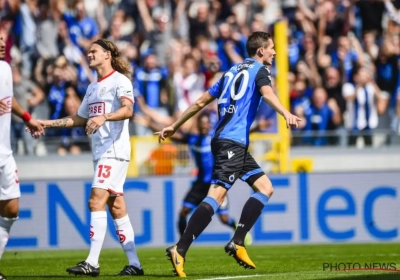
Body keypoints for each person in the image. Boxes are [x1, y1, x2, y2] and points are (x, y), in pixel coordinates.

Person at [155, 31, 301, 277]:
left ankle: (238, 241)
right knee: (216, 195)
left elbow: (201, 102)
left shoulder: (229, 72)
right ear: (261, 50)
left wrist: (175, 125)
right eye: (272, 48)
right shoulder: (260, 71)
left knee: (265, 187)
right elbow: (267, 94)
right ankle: (180, 249)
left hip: (228, 142)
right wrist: (285, 113)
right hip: (231, 143)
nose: (275, 52)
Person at [30, 39, 144, 277]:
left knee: (95, 201)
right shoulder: (93, 88)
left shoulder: (120, 81)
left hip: (114, 151)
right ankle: (135, 264)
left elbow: (128, 110)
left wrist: (104, 117)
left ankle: (92, 262)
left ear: (107, 55)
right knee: (117, 207)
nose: (89, 54)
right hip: (101, 152)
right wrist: (46, 124)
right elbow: (79, 118)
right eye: (88, 51)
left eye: (94, 51)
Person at [0, 31, 44, 280]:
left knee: (11, 209)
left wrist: (29, 118)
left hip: (4, 152)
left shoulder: (5, 68)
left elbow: (9, 98)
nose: (1, 42)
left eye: (3, 38)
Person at [176, 113, 252, 245]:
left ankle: (240, 232)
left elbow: (236, 135)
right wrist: (151, 125)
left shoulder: (215, 138)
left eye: (207, 122)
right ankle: (182, 242)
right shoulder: (192, 139)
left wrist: (256, 129)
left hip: (216, 184)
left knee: (224, 218)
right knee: (183, 212)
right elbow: (175, 136)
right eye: (202, 122)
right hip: (200, 184)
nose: (205, 125)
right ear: (198, 125)